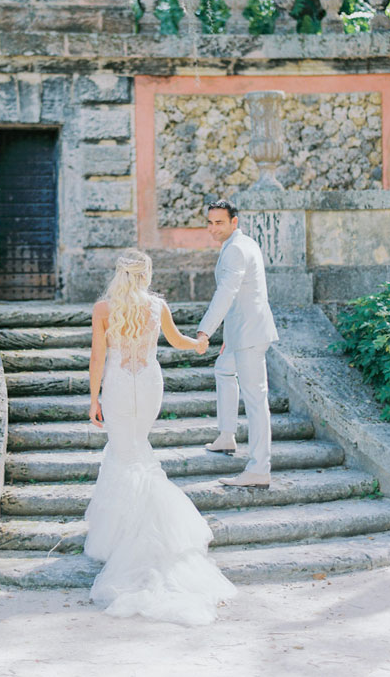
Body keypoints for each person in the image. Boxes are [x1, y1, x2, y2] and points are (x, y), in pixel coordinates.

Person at [84, 249, 236, 626]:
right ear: (146, 274)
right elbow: (178, 340)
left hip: (119, 386)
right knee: (137, 451)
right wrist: (201, 342)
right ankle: (144, 532)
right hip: (149, 384)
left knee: (126, 454)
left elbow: (97, 359)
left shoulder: (103, 309)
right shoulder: (157, 307)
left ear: (120, 274)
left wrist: (92, 400)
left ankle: (131, 539)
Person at [196, 200, 279, 488]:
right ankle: (226, 435)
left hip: (250, 334)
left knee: (256, 400)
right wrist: (228, 338)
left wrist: (205, 331)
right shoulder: (242, 243)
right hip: (241, 332)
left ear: (234, 222)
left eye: (219, 222)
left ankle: (259, 468)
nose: (212, 228)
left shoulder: (235, 251)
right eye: (210, 222)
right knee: (223, 369)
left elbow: (227, 294)